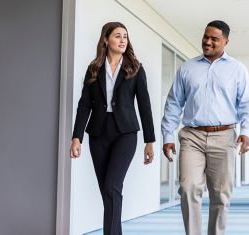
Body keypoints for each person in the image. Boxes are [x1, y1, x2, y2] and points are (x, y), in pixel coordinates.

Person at [161, 20, 249, 235]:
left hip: (224, 137)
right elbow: (174, 103)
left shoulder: (237, 69)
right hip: (191, 136)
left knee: (221, 194)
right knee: (187, 188)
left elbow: (248, 103)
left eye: (214, 39)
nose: (207, 42)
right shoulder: (187, 67)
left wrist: (246, 132)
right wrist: (168, 135)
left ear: (226, 41)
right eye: (206, 36)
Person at [69, 22, 155, 235]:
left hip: (125, 134)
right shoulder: (94, 68)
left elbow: (144, 105)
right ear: (106, 40)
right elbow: (84, 104)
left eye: (125, 36)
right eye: (118, 36)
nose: (123, 40)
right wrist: (76, 137)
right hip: (98, 133)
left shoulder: (135, 68)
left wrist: (149, 141)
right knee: (107, 191)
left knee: (112, 187)